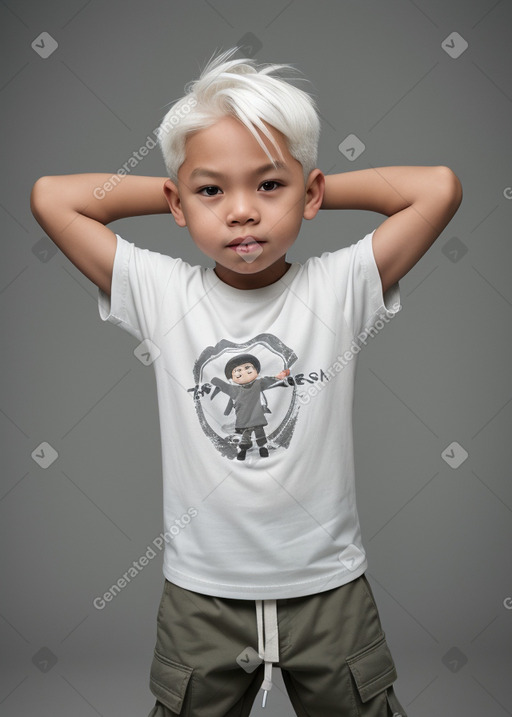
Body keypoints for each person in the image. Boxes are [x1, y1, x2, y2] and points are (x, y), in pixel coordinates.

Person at [30, 47, 462, 717]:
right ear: (178, 199)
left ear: (311, 192)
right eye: (212, 192)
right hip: (202, 598)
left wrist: (301, 184)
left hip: (329, 593)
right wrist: (186, 187)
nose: (241, 212)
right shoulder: (162, 292)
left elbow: (437, 186)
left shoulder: (340, 285)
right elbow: (52, 198)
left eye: (269, 187)